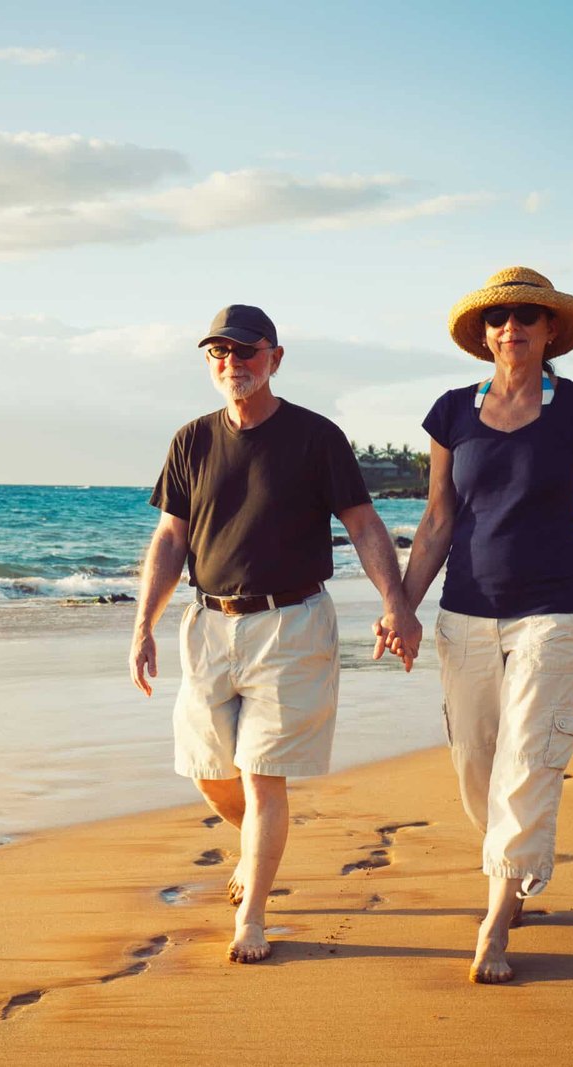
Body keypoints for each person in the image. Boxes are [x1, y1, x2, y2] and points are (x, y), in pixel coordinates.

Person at [130, 303, 422, 964]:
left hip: (292, 626)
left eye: (244, 352)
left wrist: (396, 602)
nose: (231, 364)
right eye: (218, 354)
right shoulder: (190, 441)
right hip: (207, 626)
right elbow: (170, 538)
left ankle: (253, 913)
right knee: (210, 772)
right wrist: (142, 624)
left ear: (275, 358)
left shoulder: (317, 437)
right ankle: (265, 840)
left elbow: (364, 523)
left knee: (264, 778)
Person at [394, 267, 573, 984]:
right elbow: (438, 518)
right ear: (484, 334)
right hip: (466, 612)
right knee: (475, 760)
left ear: (551, 329)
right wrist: (402, 605)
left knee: (528, 760)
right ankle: (512, 862)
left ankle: (496, 920)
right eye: (499, 318)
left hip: (555, 609)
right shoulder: (452, 412)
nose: (513, 327)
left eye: (528, 316)